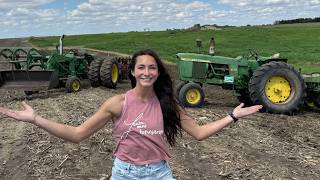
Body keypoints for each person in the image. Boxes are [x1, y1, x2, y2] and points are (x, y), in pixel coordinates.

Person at [0, 49, 262, 179]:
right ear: (133, 72)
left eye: (152, 68)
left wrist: (233, 115)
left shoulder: (168, 103)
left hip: (158, 173)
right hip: (124, 173)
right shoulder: (117, 103)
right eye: (141, 67)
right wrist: (35, 119)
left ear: (157, 72)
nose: (146, 72)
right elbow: (77, 134)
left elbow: (200, 133)